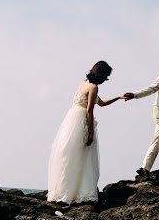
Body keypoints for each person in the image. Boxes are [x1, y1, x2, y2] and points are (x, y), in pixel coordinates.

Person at [47, 61, 121, 203]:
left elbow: (102, 103)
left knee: (69, 156)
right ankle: (78, 193)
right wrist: (91, 132)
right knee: (82, 157)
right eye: (106, 76)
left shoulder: (84, 83)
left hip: (71, 119)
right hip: (81, 121)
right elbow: (89, 110)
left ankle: (64, 190)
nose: (106, 79)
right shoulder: (93, 87)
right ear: (101, 74)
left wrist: (118, 97)